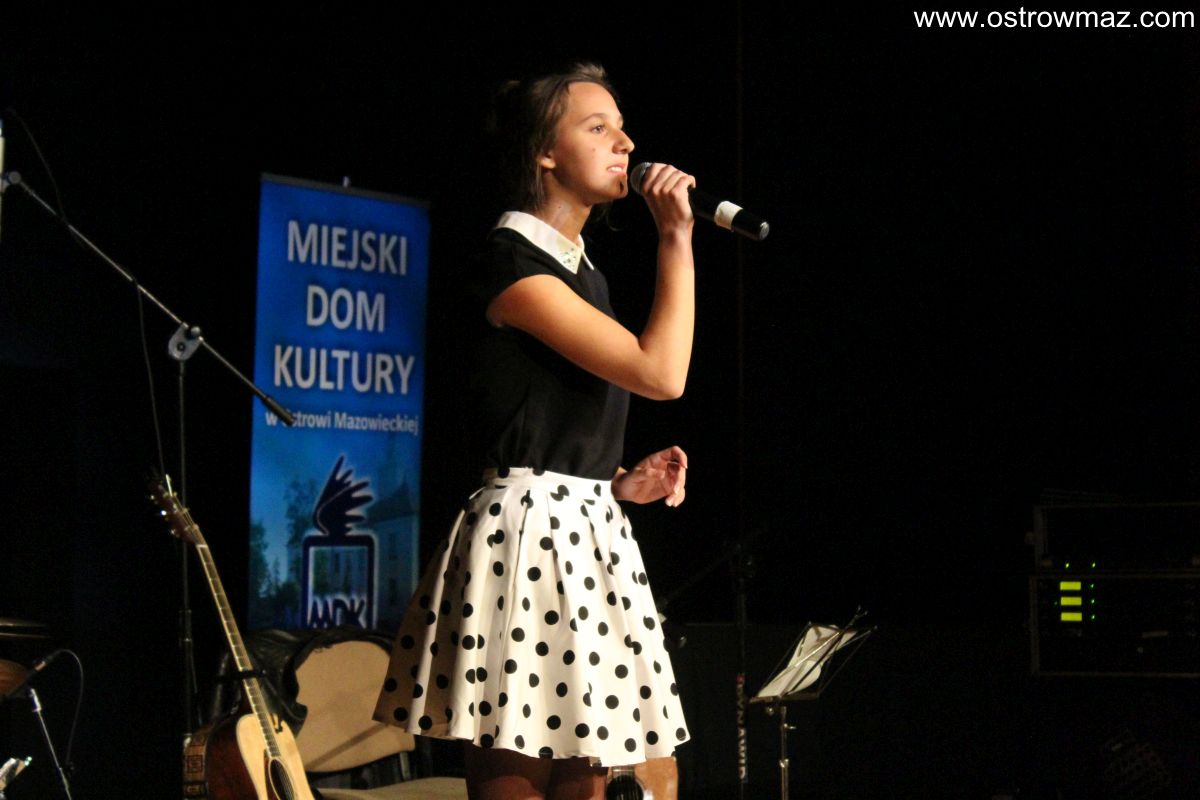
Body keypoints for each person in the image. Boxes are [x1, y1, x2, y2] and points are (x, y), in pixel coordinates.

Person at [374, 62, 696, 800]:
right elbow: (662, 373)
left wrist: (616, 481)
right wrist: (676, 237)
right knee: (518, 771)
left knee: (588, 776)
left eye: (621, 127)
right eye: (598, 128)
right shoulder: (510, 265)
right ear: (545, 153)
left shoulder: (586, 274)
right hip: (524, 541)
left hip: (587, 532)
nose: (625, 143)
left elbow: (538, 411)